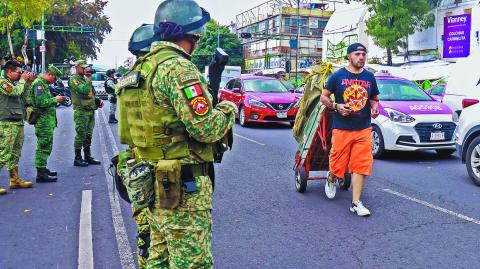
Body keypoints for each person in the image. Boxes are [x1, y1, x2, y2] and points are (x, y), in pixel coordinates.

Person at [117, 1, 237, 267]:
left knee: (158, 258)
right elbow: (206, 129)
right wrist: (229, 109)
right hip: (182, 188)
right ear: (192, 35)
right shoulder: (177, 68)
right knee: (192, 263)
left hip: (151, 181)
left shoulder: (139, 69)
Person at [320, 43, 380, 217]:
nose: (361, 57)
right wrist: (336, 106)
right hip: (342, 128)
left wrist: (375, 107)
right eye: (357, 54)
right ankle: (331, 178)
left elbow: (374, 98)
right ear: (349, 56)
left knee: (361, 165)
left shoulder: (370, 77)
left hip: (363, 128)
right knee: (338, 166)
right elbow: (324, 97)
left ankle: (355, 202)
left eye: (363, 54)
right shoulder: (338, 76)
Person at [0, 60, 35, 195]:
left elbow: (24, 98)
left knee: (15, 153)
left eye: (22, 73)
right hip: (6, 123)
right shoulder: (2, 82)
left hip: (17, 121)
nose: (21, 75)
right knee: (3, 154)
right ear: (9, 71)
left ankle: (14, 180)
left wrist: (28, 83)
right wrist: (22, 81)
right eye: (19, 72)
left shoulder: (16, 82)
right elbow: (14, 92)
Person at [30, 65, 66, 182]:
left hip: (47, 121)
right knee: (43, 147)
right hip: (42, 122)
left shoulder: (43, 84)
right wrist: (56, 99)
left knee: (47, 146)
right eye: (54, 78)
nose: (54, 81)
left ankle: (43, 168)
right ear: (50, 74)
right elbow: (41, 102)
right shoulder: (39, 84)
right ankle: (40, 174)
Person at [69, 60, 102, 167]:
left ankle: (87, 156)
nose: (85, 69)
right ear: (77, 67)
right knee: (81, 135)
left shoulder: (84, 79)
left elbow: (91, 93)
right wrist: (88, 79)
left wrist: (97, 100)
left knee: (88, 135)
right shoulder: (74, 79)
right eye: (82, 68)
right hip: (81, 111)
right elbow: (83, 90)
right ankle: (77, 158)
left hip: (90, 110)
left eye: (85, 67)